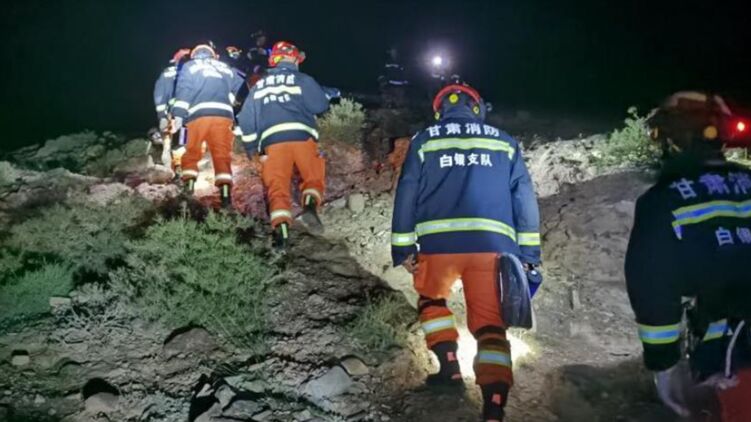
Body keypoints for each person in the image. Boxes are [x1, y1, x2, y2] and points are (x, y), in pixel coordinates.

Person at [391, 81, 542, 422]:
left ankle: (449, 368)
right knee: (491, 326)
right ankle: (494, 403)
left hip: (438, 247)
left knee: (432, 302)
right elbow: (524, 199)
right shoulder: (504, 142)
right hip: (493, 249)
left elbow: (407, 191)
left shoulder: (424, 140)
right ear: (477, 107)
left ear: (440, 111)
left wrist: (402, 248)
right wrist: (530, 255)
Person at [626, 91, 751, 421]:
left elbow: (652, 289)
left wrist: (664, 364)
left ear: (670, 139)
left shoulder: (662, 201)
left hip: (736, 352)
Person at [236, 41, 339, 248]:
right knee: (312, 176)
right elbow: (319, 105)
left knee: (277, 186)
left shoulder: (259, 85)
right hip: (303, 137)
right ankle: (309, 207)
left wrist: (251, 147)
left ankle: (281, 234)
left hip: (273, 143)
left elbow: (245, 119)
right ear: (293, 59)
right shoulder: (302, 79)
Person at [171, 43, 240, 209]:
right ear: (213, 55)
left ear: (195, 55)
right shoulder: (225, 67)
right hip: (223, 115)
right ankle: (225, 196)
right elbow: (239, 88)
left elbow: (184, 90)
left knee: (192, 151)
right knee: (222, 154)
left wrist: (178, 115)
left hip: (198, 115)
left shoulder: (190, 66)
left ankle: (188, 190)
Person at [153, 48, 191, 175]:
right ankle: (177, 167)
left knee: (171, 140)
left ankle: (173, 166)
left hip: (172, 112)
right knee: (180, 139)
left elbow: (159, 93)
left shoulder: (167, 72)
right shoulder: (191, 73)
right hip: (184, 113)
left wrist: (162, 115)